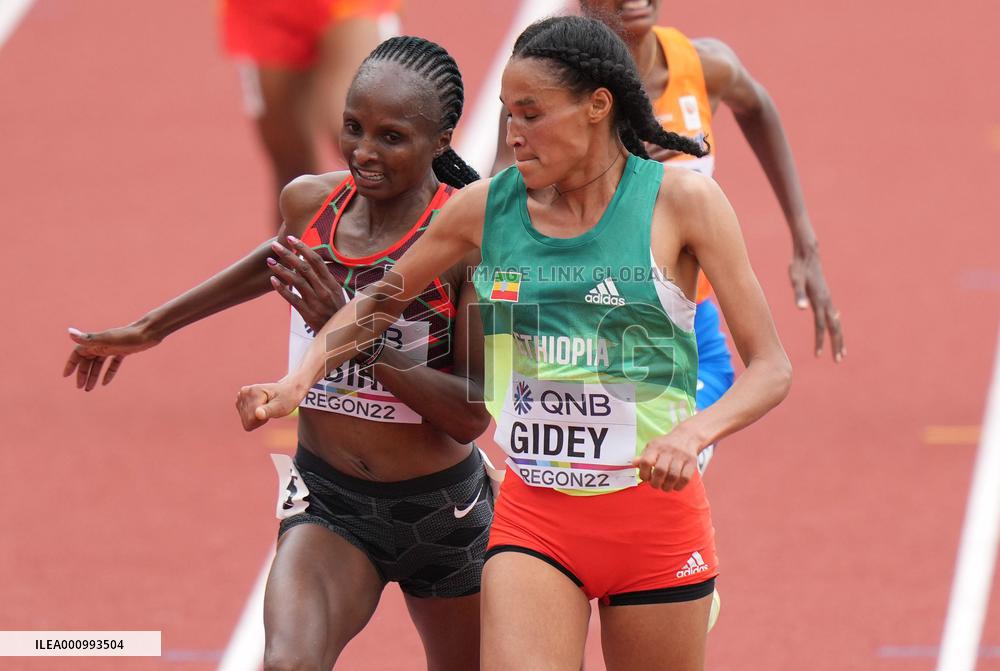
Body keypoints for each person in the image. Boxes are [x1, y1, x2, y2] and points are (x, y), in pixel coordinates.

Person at [237, 16, 792, 671]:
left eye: (530, 114)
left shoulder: (683, 204)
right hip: (535, 521)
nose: (512, 134)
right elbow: (372, 303)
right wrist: (296, 383)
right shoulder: (484, 210)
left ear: (597, 106)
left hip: (653, 523)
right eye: (506, 114)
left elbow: (770, 366)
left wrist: (694, 433)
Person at [64, 36, 492, 671]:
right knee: (287, 663)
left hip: (444, 512)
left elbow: (471, 415)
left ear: (440, 139)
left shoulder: (466, 241)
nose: (364, 153)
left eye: (392, 137)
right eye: (352, 127)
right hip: (330, 502)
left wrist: (348, 334)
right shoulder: (312, 203)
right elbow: (270, 264)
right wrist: (150, 327)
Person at [492, 1, 843, 455]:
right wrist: (610, 174)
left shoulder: (702, 66)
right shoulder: (544, 92)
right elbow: (499, 204)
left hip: (682, 334)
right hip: (573, 338)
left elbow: (757, 107)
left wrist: (804, 241)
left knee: (654, 463)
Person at [221, 0, 403, 227]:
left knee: (367, 134)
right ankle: (297, 258)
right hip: (263, 9)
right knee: (292, 172)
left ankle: (428, 246)